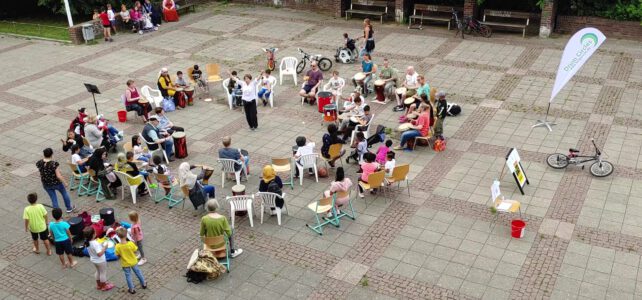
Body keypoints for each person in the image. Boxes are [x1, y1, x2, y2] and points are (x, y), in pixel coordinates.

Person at [36, 148, 75, 213]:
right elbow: (58, 176)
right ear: (51, 154)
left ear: (44, 154)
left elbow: (41, 172)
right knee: (64, 193)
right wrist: (65, 182)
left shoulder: (39, 162)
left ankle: (57, 213)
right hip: (57, 183)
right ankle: (69, 208)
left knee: (53, 198)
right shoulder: (53, 164)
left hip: (46, 184)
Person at [114, 227, 147, 294]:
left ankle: (131, 289)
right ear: (126, 235)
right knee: (138, 272)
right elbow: (135, 250)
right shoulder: (130, 243)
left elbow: (117, 255)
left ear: (118, 236)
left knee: (128, 276)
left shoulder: (117, 246)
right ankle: (144, 284)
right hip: (133, 261)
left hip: (125, 263)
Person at [83, 227, 115, 291]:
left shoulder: (87, 242)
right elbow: (99, 254)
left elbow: (93, 249)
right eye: (95, 232)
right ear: (93, 235)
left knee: (98, 271)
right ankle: (104, 286)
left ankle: (99, 285)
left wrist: (100, 244)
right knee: (103, 273)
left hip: (94, 260)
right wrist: (105, 248)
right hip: (100, 260)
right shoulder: (95, 244)